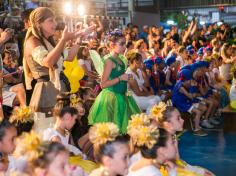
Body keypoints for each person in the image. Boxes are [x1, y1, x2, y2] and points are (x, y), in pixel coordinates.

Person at [23, 7, 83, 114]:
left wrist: (80, 38)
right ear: (38, 24)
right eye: (50, 20)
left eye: (55, 20)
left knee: (63, 127)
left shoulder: (48, 41)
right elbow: (48, 62)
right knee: (49, 128)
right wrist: (63, 39)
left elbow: (70, 56)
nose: (55, 24)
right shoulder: (32, 41)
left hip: (59, 88)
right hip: (46, 92)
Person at [88, 29, 141, 133]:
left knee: (121, 130)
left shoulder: (121, 59)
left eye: (124, 44)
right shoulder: (109, 61)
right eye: (121, 44)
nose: (124, 47)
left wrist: (126, 77)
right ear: (112, 45)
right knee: (110, 132)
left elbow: (119, 75)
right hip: (112, 98)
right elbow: (103, 84)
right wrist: (120, 78)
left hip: (122, 96)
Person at [150, 104, 215, 176]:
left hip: (176, 166)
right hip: (168, 171)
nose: (182, 120)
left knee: (207, 173)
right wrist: (192, 171)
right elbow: (169, 166)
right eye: (178, 118)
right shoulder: (164, 141)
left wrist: (193, 169)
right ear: (168, 124)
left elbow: (177, 159)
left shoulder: (172, 136)